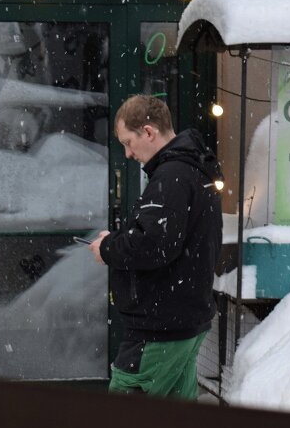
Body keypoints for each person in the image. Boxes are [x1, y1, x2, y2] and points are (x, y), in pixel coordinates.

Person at [88, 95, 222, 399]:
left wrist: (108, 247)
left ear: (149, 132)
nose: (127, 152)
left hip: (160, 328)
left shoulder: (173, 176)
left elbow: (153, 245)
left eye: (128, 142)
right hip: (181, 321)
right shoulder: (192, 168)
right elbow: (164, 236)